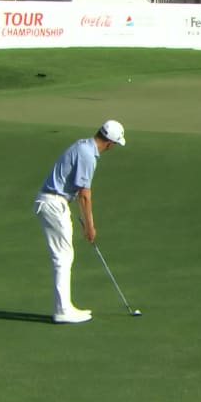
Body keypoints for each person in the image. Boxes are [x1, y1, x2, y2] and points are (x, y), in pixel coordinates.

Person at [33, 120, 126, 324]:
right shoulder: (88, 155)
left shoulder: (83, 145)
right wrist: (90, 226)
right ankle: (62, 310)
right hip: (53, 203)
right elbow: (84, 194)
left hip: (54, 201)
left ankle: (65, 306)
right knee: (63, 256)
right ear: (110, 143)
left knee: (64, 255)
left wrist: (84, 220)